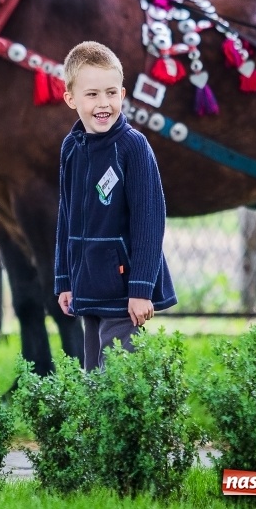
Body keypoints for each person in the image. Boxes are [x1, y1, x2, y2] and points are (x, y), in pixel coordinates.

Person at [55, 41, 177, 371]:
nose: (103, 103)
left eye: (111, 93)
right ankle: (96, 426)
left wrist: (141, 289)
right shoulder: (71, 147)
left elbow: (150, 223)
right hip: (87, 282)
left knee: (120, 380)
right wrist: (64, 279)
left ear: (122, 94)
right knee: (93, 377)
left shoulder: (133, 147)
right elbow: (66, 217)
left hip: (124, 291)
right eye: (92, 94)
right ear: (71, 99)